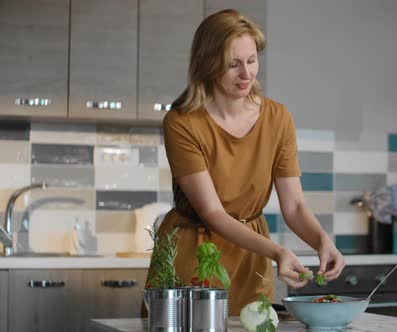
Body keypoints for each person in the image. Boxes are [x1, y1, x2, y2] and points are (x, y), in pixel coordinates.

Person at [144, 8, 345, 316]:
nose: (247, 74)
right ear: (208, 64)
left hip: (252, 254)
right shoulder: (182, 122)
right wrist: (277, 251)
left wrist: (322, 241)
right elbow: (212, 213)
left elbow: (294, 206)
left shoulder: (278, 118)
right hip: (192, 251)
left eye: (252, 61)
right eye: (232, 64)